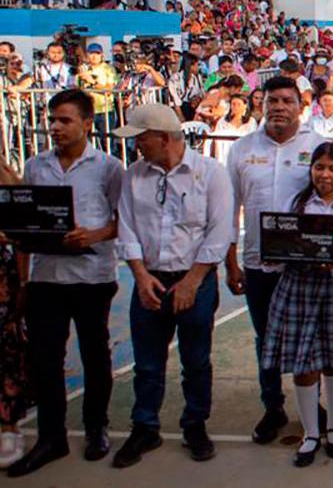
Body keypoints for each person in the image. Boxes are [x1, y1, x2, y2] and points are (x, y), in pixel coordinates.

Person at [6, 90, 123, 478]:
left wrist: (95, 235)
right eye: (52, 120)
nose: (55, 127)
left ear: (87, 123)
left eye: (64, 120)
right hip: (46, 278)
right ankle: (51, 436)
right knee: (46, 359)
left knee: (95, 354)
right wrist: (23, 282)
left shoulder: (108, 167)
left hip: (92, 278)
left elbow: (123, 221)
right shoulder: (36, 166)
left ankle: (96, 428)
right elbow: (26, 224)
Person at [111, 103, 233, 468]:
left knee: (196, 359)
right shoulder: (134, 176)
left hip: (194, 279)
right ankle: (144, 425)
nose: (137, 146)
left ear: (164, 138)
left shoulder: (210, 173)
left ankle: (195, 423)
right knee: (147, 362)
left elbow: (219, 230)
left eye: (141, 138)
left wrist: (192, 282)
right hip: (150, 278)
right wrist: (140, 275)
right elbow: (127, 226)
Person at [224, 75, 328, 445]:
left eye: (287, 100)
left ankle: (312, 407)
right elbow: (229, 208)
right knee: (264, 337)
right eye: (272, 101)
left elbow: (332, 203)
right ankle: (273, 407)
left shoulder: (320, 146)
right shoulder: (240, 150)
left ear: (301, 105)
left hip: (305, 265)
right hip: (257, 263)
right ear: (261, 105)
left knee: (307, 338)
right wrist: (231, 260)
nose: (279, 107)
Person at [261, 142, 333, 467]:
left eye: (332, 168)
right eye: (319, 167)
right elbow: (276, 249)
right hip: (298, 287)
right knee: (303, 364)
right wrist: (275, 256)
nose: (325, 174)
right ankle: (311, 433)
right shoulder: (295, 203)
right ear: (311, 170)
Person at [0, 160, 23, 472]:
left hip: (3, 287)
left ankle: (8, 428)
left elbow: (23, 237)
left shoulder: (7, 182)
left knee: (7, 355)